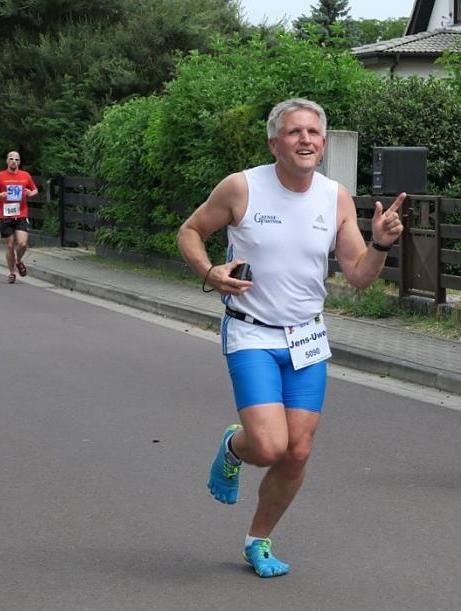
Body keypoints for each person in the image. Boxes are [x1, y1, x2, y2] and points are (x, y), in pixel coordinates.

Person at [177, 98, 405, 577]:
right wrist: (210, 271)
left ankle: (258, 540)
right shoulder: (242, 187)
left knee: (297, 451)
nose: (305, 139)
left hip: (306, 338)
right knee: (267, 446)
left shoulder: (335, 197)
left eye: (313, 132)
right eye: (294, 132)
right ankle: (234, 447)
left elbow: (359, 275)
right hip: (251, 332)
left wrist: (381, 242)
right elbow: (191, 231)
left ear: (323, 144)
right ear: (274, 143)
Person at [0, 151, 38, 283]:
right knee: (9, 245)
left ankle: (18, 261)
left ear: (19, 162)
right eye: (11, 159)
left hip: (21, 214)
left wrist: (30, 193)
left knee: (22, 244)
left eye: (16, 159)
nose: (14, 161)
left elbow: (35, 190)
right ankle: (11, 272)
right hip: (6, 215)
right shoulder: (0, 176)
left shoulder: (25, 175)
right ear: (7, 161)